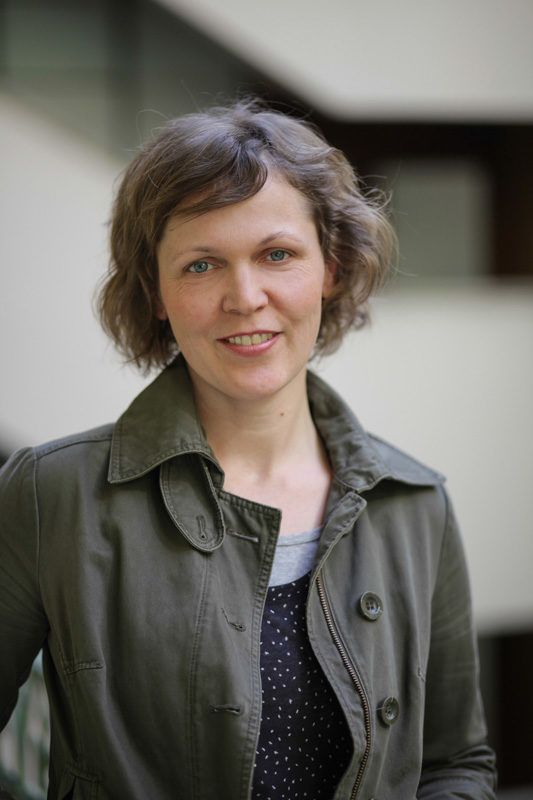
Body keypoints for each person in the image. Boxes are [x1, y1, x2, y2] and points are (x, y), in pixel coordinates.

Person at [0, 100, 496, 800]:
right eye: (202, 264)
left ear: (330, 267)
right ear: (156, 292)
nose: (245, 296)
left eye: (277, 255)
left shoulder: (414, 504)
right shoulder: (50, 495)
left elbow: (455, 764)